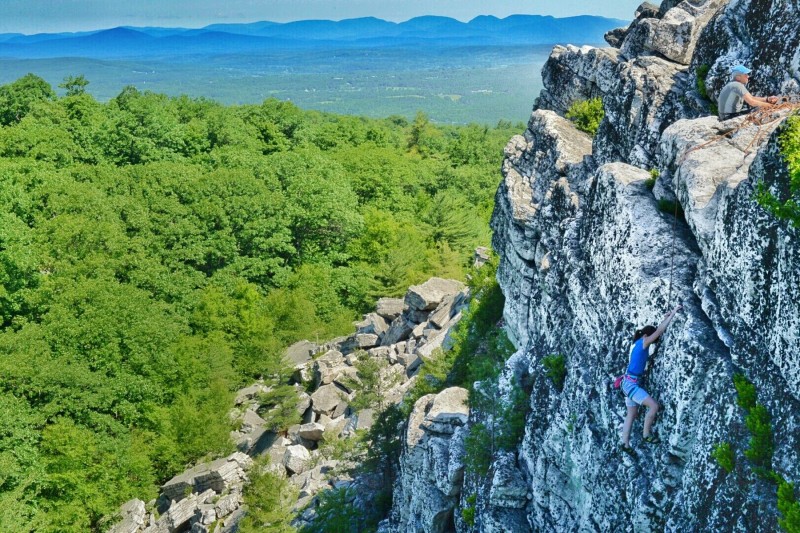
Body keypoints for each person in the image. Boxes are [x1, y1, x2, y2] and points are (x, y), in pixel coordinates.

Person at [619, 305, 682, 455]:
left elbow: (656, 330)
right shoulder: (644, 342)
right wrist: (673, 314)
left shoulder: (636, 343)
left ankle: (625, 443)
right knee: (653, 406)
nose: (653, 341)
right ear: (647, 336)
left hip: (627, 383)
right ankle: (646, 434)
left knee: (632, 414)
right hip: (631, 384)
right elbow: (659, 331)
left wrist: (665, 318)